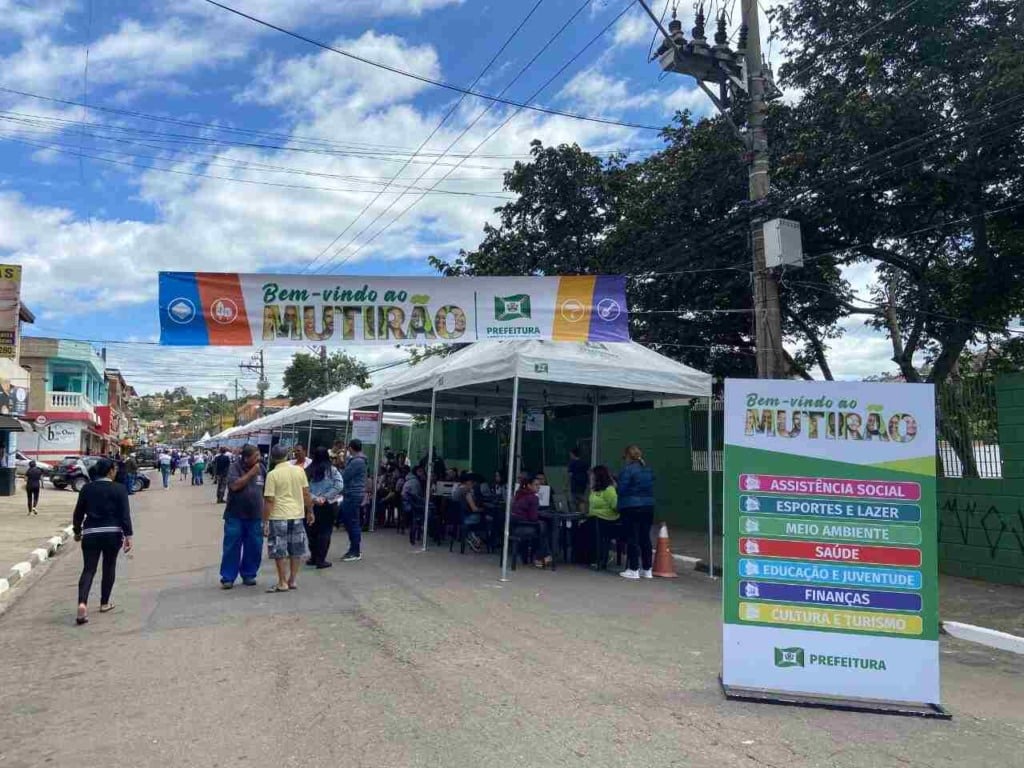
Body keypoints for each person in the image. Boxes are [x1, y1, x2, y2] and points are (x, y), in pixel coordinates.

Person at [72, 457, 133, 625]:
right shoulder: (119, 489)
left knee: (88, 569)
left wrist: (77, 531)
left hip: (91, 533)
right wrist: (128, 536)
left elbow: (78, 513)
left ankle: (82, 603)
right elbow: (124, 515)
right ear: (110, 471)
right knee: (109, 566)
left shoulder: (87, 488)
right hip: (112, 533)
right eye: (114, 469)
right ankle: (104, 603)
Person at [262, 445, 314, 593]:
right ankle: (292, 580)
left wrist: (265, 521)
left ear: (273, 458)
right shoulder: (299, 470)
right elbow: (306, 493)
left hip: (278, 516)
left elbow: (269, 500)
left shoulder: (272, 475)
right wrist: (310, 511)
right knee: (296, 549)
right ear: (287, 456)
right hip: (297, 514)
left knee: (279, 550)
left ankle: (282, 581)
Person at [219, 444, 265, 589]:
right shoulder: (234, 468)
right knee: (232, 546)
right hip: (235, 515)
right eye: (255, 456)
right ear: (246, 458)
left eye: (258, 455)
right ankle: (228, 577)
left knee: (254, 546)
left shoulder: (262, 468)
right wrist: (251, 473)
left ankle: (249, 574)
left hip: (255, 515)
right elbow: (234, 486)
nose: (259, 458)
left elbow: (267, 490)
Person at [617, 445, 655, 580]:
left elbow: (621, 489)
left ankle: (633, 569)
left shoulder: (627, 470)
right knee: (645, 538)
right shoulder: (648, 469)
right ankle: (647, 569)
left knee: (633, 537)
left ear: (628, 456)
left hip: (631, 506)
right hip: (648, 505)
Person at [306, 446, 344, 568]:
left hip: (311, 506)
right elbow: (339, 485)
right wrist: (325, 497)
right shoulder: (332, 470)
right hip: (328, 505)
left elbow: (304, 488)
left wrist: (314, 498)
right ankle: (321, 560)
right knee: (325, 532)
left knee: (312, 532)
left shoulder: (308, 471)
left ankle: (313, 557)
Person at [511, 476, 551, 568]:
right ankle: (542, 557)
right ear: (529, 485)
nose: (539, 487)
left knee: (541, 527)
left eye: (539, 485)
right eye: (536, 485)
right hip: (524, 527)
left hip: (514, 526)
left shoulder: (519, 494)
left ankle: (538, 556)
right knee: (542, 528)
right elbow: (533, 518)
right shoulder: (533, 498)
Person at [339, 439, 367, 562]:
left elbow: (345, 476)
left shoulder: (357, 461)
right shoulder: (359, 460)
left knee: (351, 522)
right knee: (351, 521)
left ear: (350, 448)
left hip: (352, 493)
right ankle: (354, 549)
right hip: (354, 493)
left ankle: (355, 550)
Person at [586, 466, 619, 568]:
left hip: (608, 520)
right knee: (583, 527)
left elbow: (615, 506)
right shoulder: (594, 490)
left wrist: (598, 512)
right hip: (594, 518)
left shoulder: (609, 490)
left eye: (592, 476)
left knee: (594, 527)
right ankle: (587, 557)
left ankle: (600, 559)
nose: (591, 477)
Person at [452, 472, 485, 552]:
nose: (473, 485)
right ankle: (474, 537)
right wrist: (483, 509)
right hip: (466, 518)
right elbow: (474, 509)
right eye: (473, 482)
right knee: (482, 518)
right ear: (468, 482)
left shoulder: (457, 489)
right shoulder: (467, 492)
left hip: (457, 518)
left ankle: (471, 535)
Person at [568, 448, 589, 513]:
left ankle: (575, 516)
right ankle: (582, 515)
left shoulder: (572, 463)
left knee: (574, 503)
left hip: (574, 486)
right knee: (582, 501)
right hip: (583, 486)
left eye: (570, 454)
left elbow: (570, 475)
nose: (570, 456)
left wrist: (566, 485)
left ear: (573, 454)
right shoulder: (584, 463)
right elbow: (588, 472)